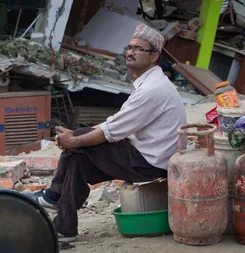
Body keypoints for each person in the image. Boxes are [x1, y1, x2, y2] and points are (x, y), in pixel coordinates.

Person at [25, 23, 187, 243]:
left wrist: (73, 140)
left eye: (138, 49)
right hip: (145, 154)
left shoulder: (152, 90)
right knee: (79, 159)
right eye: (129, 47)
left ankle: (54, 199)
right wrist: (76, 138)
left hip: (150, 162)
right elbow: (115, 124)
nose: (130, 52)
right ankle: (63, 229)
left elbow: (111, 132)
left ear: (154, 57)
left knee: (79, 147)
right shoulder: (150, 83)